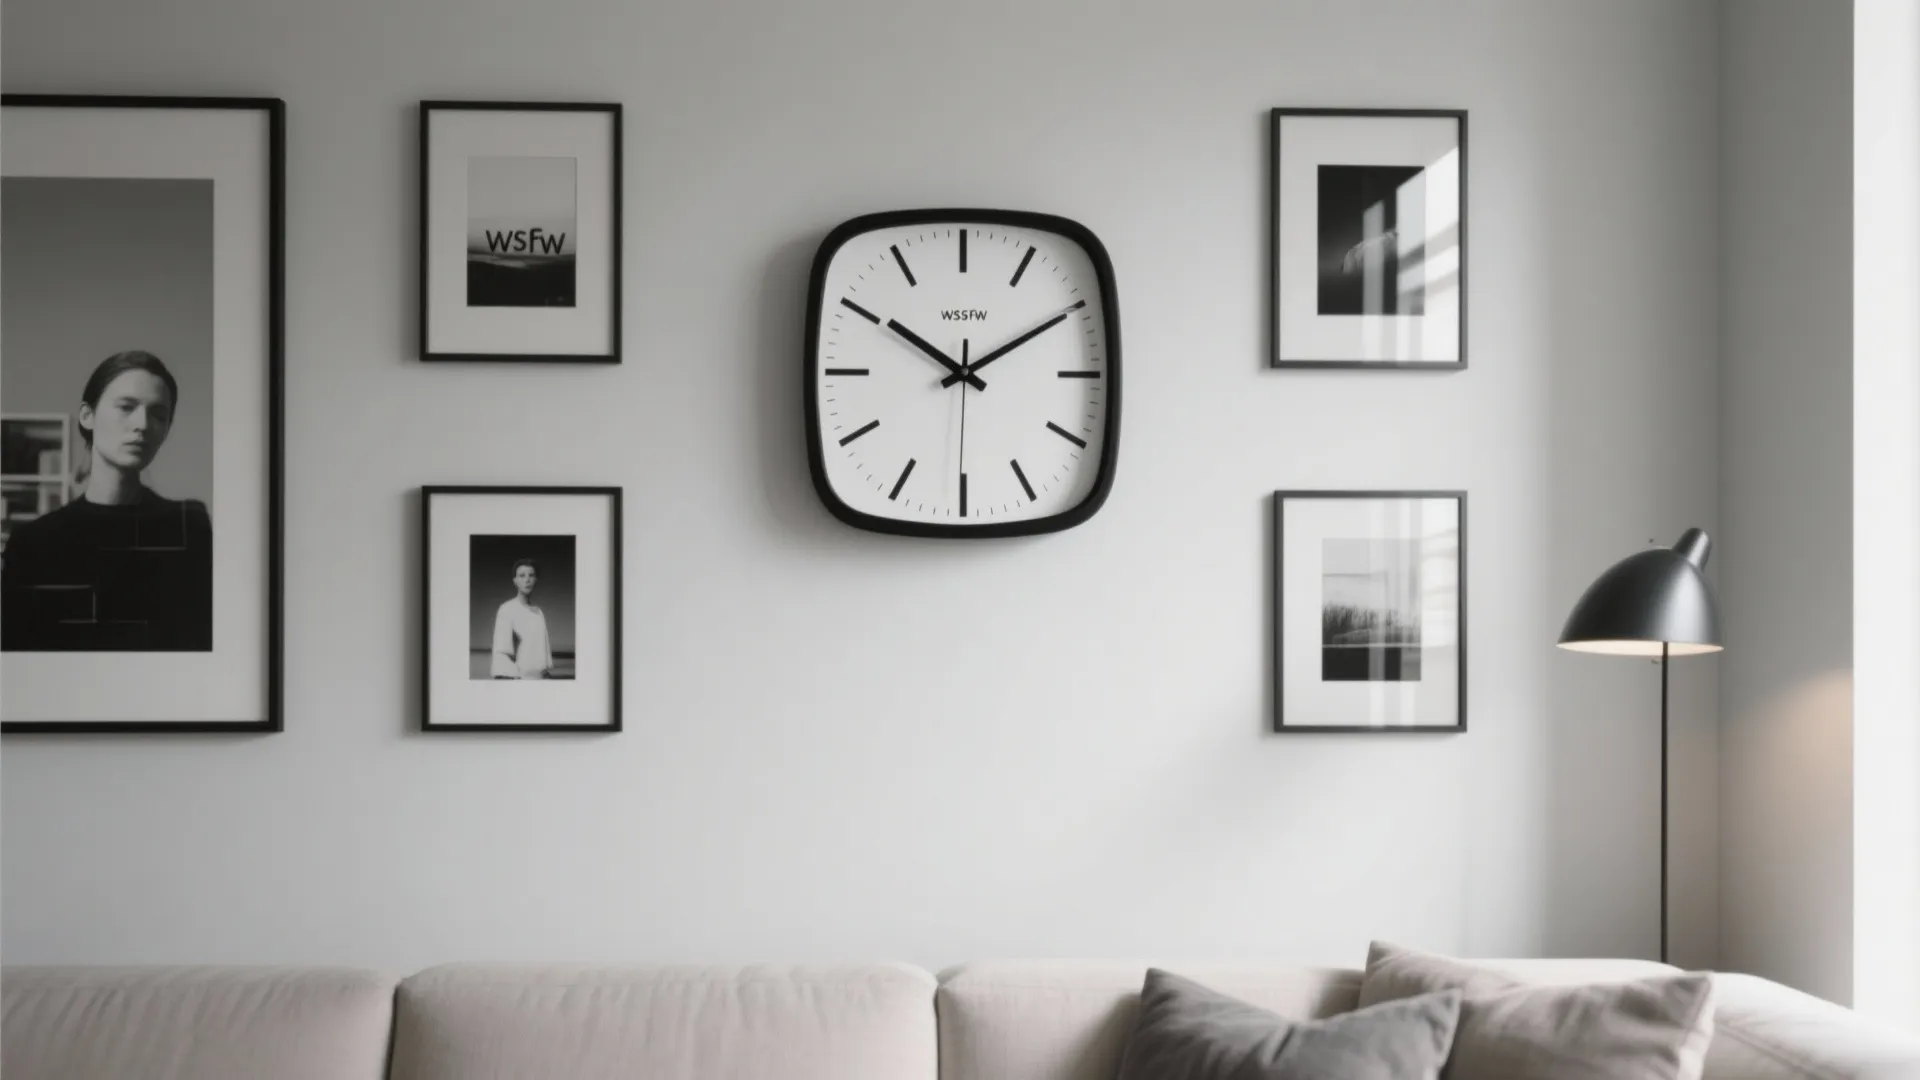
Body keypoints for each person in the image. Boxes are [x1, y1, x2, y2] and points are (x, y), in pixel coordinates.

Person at [2, 351, 212, 651]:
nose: (142, 424)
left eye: (158, 414)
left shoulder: (190, 528)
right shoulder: (31, 544)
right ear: (87, 415)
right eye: (126, 407)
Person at [490, 558, 553, 679]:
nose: (527, 580)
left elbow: (542, 653)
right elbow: (501, 653)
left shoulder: (538, 612)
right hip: (518, 679)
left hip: (539, 680)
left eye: (531, 575)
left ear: (536, 580)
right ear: (515, 581)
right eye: (522, 576)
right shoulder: (507, 609)